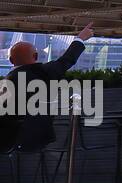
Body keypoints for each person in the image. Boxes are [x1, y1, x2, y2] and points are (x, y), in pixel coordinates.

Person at [0, 24, 93, 155]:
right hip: (38, 139)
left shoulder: (5, 84)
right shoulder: (45, 72)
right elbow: (67, 60)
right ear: (36, 56)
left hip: (9, 141)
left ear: (10, 60)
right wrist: (80, 38)